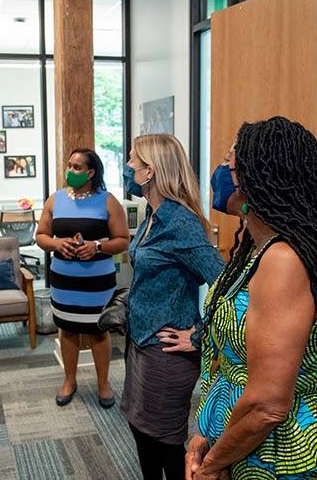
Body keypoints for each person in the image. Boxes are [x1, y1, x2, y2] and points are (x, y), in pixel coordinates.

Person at [186, 116, 317, 480]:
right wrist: (203, 435)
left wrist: (212, 465)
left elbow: (267, 406)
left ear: (260, 180)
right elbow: (228, 362)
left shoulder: (284, 260)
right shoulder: (255, 251)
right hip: (242, 439)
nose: (220, 171)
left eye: (230, 162)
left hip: (285, 452)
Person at [120, 134, 225, 480]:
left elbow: (228, 285)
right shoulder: (153, 215)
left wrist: (199, 335)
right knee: (140, 431)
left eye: (133, 160)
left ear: (151, 171)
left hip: (165, 355)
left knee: (164, 444)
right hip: (140, 343)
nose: (128, 166)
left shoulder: (181, 223)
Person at [35, 148, 129, 408]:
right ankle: (69, 380)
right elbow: (41, 235)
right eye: (69, 165)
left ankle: (103, 384)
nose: (70, 171)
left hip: (97, 283)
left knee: (98, 332)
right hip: (64, 282)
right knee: (68, 329)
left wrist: (97, 246)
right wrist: (56, 244)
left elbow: (123, 241)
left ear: (90, 172)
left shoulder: (108, 201)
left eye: (77, 167)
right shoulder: (55, 200)